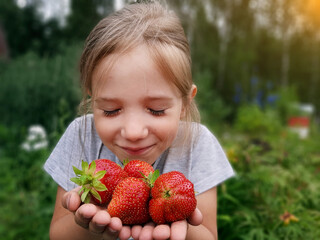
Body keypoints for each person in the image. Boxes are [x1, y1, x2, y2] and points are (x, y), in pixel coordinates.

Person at [44, 2, 234, 240]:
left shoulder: (198, 144)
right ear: (92, 101)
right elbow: (58, 234)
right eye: (111, 110)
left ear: (184, 104)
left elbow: (208, 235)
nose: (133, 132)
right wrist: (88, 223)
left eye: (156, 110)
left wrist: (180, 221)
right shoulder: (80, 135)